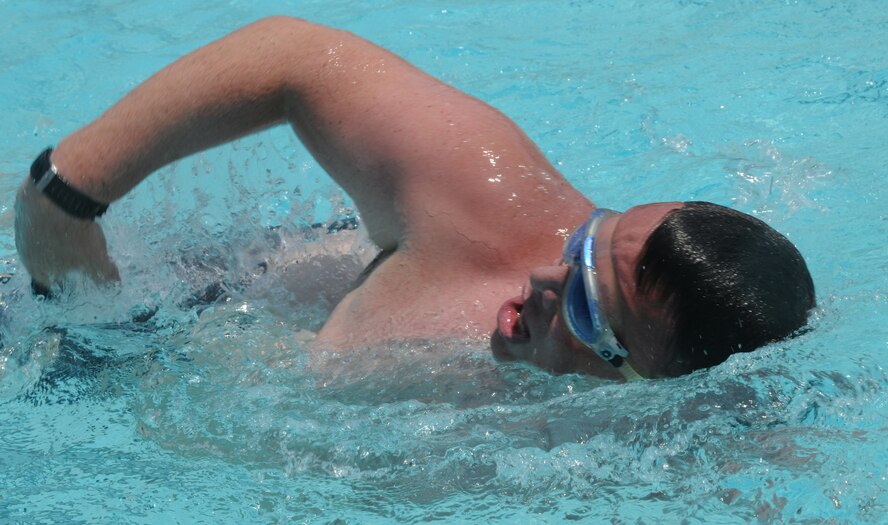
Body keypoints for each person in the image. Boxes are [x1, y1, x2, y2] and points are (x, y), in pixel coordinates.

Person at [14, 16, 815, 380]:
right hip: (139, 323)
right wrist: (66, 195)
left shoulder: (655, 435)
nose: (542, 278)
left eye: (585, 314)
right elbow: (293, 57)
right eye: (583, 243)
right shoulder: (484, 192)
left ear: (648, 378)